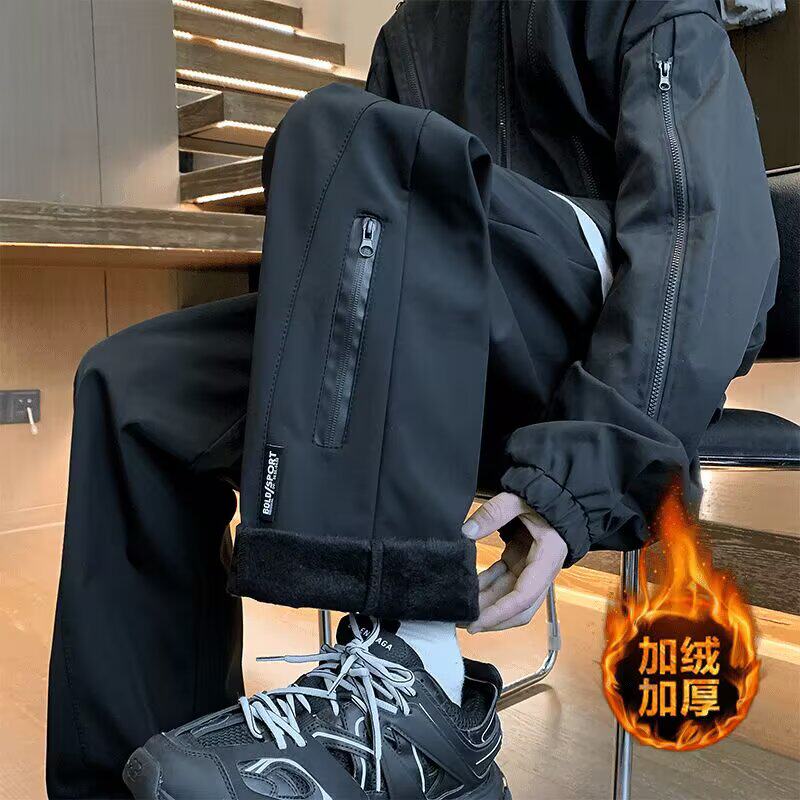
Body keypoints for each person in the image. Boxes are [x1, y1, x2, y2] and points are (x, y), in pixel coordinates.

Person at [46, 1, 778, 799]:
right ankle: (126, 782)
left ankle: (412, 695)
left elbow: (705, 239)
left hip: (601, 338)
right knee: (136, 384)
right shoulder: (413, 30)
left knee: (356, 137)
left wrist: (581, 474)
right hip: (443, 337)